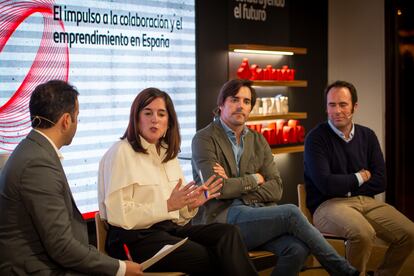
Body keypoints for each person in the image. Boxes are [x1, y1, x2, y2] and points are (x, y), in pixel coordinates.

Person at [191, 79, 359, 276]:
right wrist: (255, 179)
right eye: (234, 99)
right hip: (222, 220)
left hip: (256, 214)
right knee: (290, 212)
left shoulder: (257, 139)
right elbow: (218, 189)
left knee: (296, 249)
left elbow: (277, 187)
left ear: (250, 108)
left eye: (246, 101)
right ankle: (343, 270)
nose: (240, 106)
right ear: (221, 104)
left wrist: (235, 187)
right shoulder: (204, 138)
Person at [98, 87, 258, 276]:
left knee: (228, 234)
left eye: (161, 114)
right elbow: (119, 216)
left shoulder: (168, 154)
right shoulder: (120, 152)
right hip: (134, 240)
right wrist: (167, 205)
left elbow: (179, 216)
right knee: (207, 257)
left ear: (169, 121)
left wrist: (190, 205)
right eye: (147, 113)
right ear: (136, 117)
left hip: (168, 231)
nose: (155, 119)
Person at [0, 80, 143, 275]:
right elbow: (62, 246)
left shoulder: (33, 150)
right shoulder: (37, 164)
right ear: (66, 120)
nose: (76, 122)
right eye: (77, 117)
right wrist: (120, 268)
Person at [304, 80, 414, 275]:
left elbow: (381, 181)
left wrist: (346, 185)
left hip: (366, 202)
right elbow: (326, 184)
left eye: (343, 104)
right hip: (327, 205)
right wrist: (360, 177)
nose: (337, 110)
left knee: (409, 233)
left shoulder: (367, 136)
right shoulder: (316, 138)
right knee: (363, 233)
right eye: (332, 105)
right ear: (326, 107)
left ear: (355, 106)